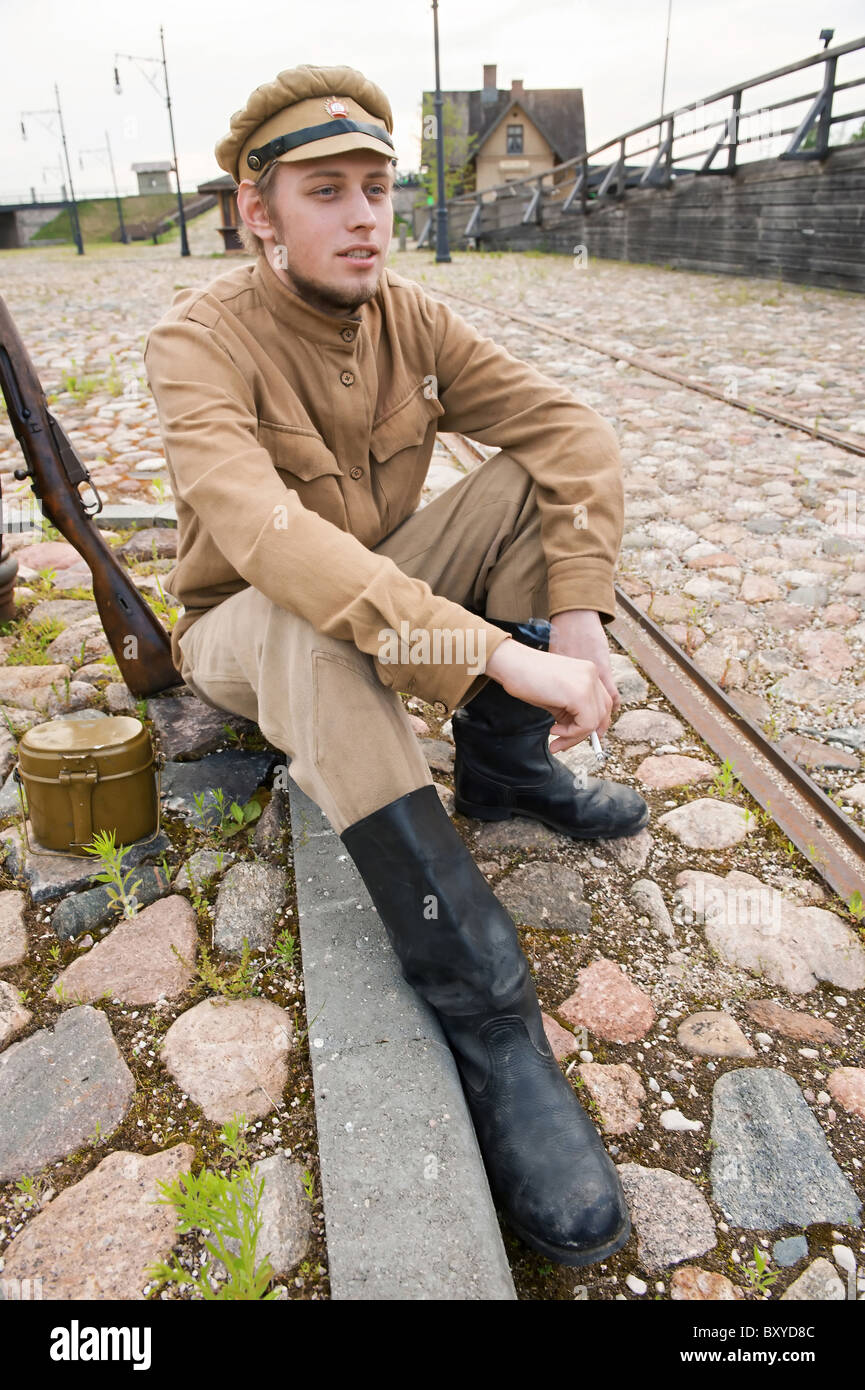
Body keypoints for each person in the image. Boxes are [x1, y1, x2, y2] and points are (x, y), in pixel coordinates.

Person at [144, 62, 649, 1269]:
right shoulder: (195, 342)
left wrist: (575, 617)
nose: (364, 216)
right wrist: (494, 654)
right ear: (257, 210)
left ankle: (509, 773)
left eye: (376, 187)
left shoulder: (410, 319)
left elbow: (569, 433)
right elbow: (273, 543)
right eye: (326, 191)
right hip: (246, 629)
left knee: (530, 479)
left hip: (382, 583)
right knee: (311, 622)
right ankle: (488, 1012)